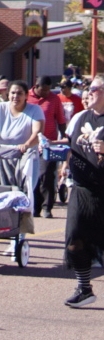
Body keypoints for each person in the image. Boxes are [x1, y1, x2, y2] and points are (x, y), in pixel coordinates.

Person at [62, 77, 104, 307]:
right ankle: (84, 288)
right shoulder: (80, 117)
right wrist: (60, 160)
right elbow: (69, 145)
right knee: (74, 241)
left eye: (94, 89)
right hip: (82, 188)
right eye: (88, 89)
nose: (88, 93)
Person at [0, 80, 43, 199]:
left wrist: (26, 145)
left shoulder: (35, 110)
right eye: (13, 93)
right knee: (0, 193)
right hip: (3, 157)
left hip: (25, 158)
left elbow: (38, 133)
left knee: (24, 195)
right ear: (8, 94)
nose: (16, 96)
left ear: (26, 95)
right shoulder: (0, 108)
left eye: (19, 93)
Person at [28, 76, 67, 218]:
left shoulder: (54, 99)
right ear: (36, 86)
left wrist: (64, 136)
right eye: (44, 90)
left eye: (48, 90)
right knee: (34, 176)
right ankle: (35, 206)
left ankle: (47, 206)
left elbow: (60, 119)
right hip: (30, 143)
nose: (46, 92)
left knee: (47, 175)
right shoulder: (27, 97)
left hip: (49, 144)